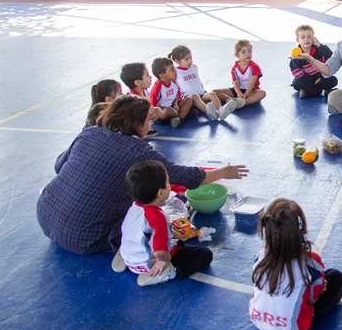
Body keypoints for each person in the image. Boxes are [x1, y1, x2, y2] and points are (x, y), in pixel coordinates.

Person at [36, 96, 249, 257]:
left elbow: (58, 166)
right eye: (148, 120)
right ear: (137, 124)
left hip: (45, 216)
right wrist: (223, 172)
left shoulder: (89, 132)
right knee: (143, 214)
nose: (151, 124)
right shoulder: (138, 151)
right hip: (86, 237)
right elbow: (181, 175)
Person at [249, 198, 342, 330]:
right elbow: (313, 299)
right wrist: (318, 287)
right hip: (293, 328)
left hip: (258, 319)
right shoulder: (311, 262)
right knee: (335, 277)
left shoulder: (261, 254)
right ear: (303, 228)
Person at [119, 160, 213, 286]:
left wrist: (172, 233)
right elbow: (160, 251)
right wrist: (163, 261)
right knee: (204, 255)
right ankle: (167, 273)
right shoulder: (158, 218)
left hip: (131, 256)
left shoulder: (135, 206)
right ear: (160, 193)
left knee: (173, 241)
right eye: (168, 182)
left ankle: (126, 254)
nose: (170, 184)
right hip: (149, 265)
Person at [169, 44, 236, 120]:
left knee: (212, 94)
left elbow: (197, 82)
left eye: (190, 57)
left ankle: (221, 111)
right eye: (186, 59)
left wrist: (203, 91)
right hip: (189, 98)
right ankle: (210, 112)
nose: (190, 61)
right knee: (195, 96)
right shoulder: (176, 72)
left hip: (201, 94)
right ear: (177, 61)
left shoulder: (194, 67)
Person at [289, 24, 337, 98]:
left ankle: (307, 92)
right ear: (298, 40)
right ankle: (323, 91)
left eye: (309, 37)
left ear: (313, 38)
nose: (306, 39)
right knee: (297, 83)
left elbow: (330, 56)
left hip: (320, 77)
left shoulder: (318, 50)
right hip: (306, 79)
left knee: (333, 80)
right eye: (303, 37)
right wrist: (313, 80)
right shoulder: (297, 54)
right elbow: (297, 73)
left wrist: (319, 44)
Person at [216, 39, 267, 109]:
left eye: (249, 51)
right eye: (243, 52)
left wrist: (245, 94)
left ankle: (243, 103)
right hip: (238, 91)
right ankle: (232, 101)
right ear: (237, 54)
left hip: (251, 91)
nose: (247, 54)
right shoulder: (234, 69)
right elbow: (235, 83)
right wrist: (239, 93)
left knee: (262, 93)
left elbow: (252, 83)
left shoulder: (254, 67)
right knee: (214, 92)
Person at [120, 62, 163, 138]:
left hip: (141, 117)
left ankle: (145, 128)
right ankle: (138, 131)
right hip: (132, 121)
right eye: (147, 75)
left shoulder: (145, 91)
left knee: (157, 111)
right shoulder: (132, 97)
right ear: (138, 82)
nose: (150, 77)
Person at [150, 57, 194, 128]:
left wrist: (176, 103)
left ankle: (179, 118)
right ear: (162, 75)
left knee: (189, 100)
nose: (175, 71)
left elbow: (177, 95)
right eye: (172, 70)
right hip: (164, 111)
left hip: (173, 106)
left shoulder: (174, 82)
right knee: (168, 110)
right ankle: (183, 115)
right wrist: (160, 111)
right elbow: (153, 104)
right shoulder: (158, 87)